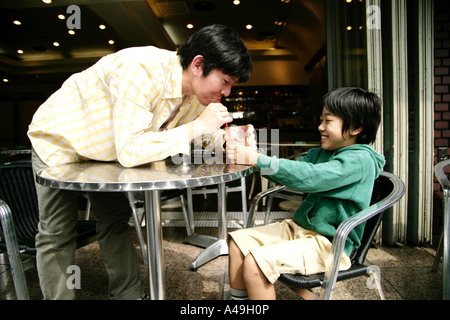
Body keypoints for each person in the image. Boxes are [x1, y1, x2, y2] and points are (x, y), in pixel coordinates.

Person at [27, 24, 253, 300]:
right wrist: (196, 127)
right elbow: (131, 149)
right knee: (57, 232)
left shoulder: (195, 95)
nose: (227, 92)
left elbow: (197, 135)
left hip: (105, 152)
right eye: (225, 81)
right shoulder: (140, 69)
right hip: (61, 140)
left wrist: (229, 141)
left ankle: (128, 295)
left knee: (115, 221)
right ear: (198, 65)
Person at [225, 87, 385, 300]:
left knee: (256, 262)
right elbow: (293, 173)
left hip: (329, 244)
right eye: (321, 120)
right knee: (238, 243)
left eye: (328, 121)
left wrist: (256, 159)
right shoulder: (322, 153)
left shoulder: (359, 161)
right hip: (299, 229)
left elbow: (311, 177)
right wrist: (253, 154)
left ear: (356, 127)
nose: (320, 127)